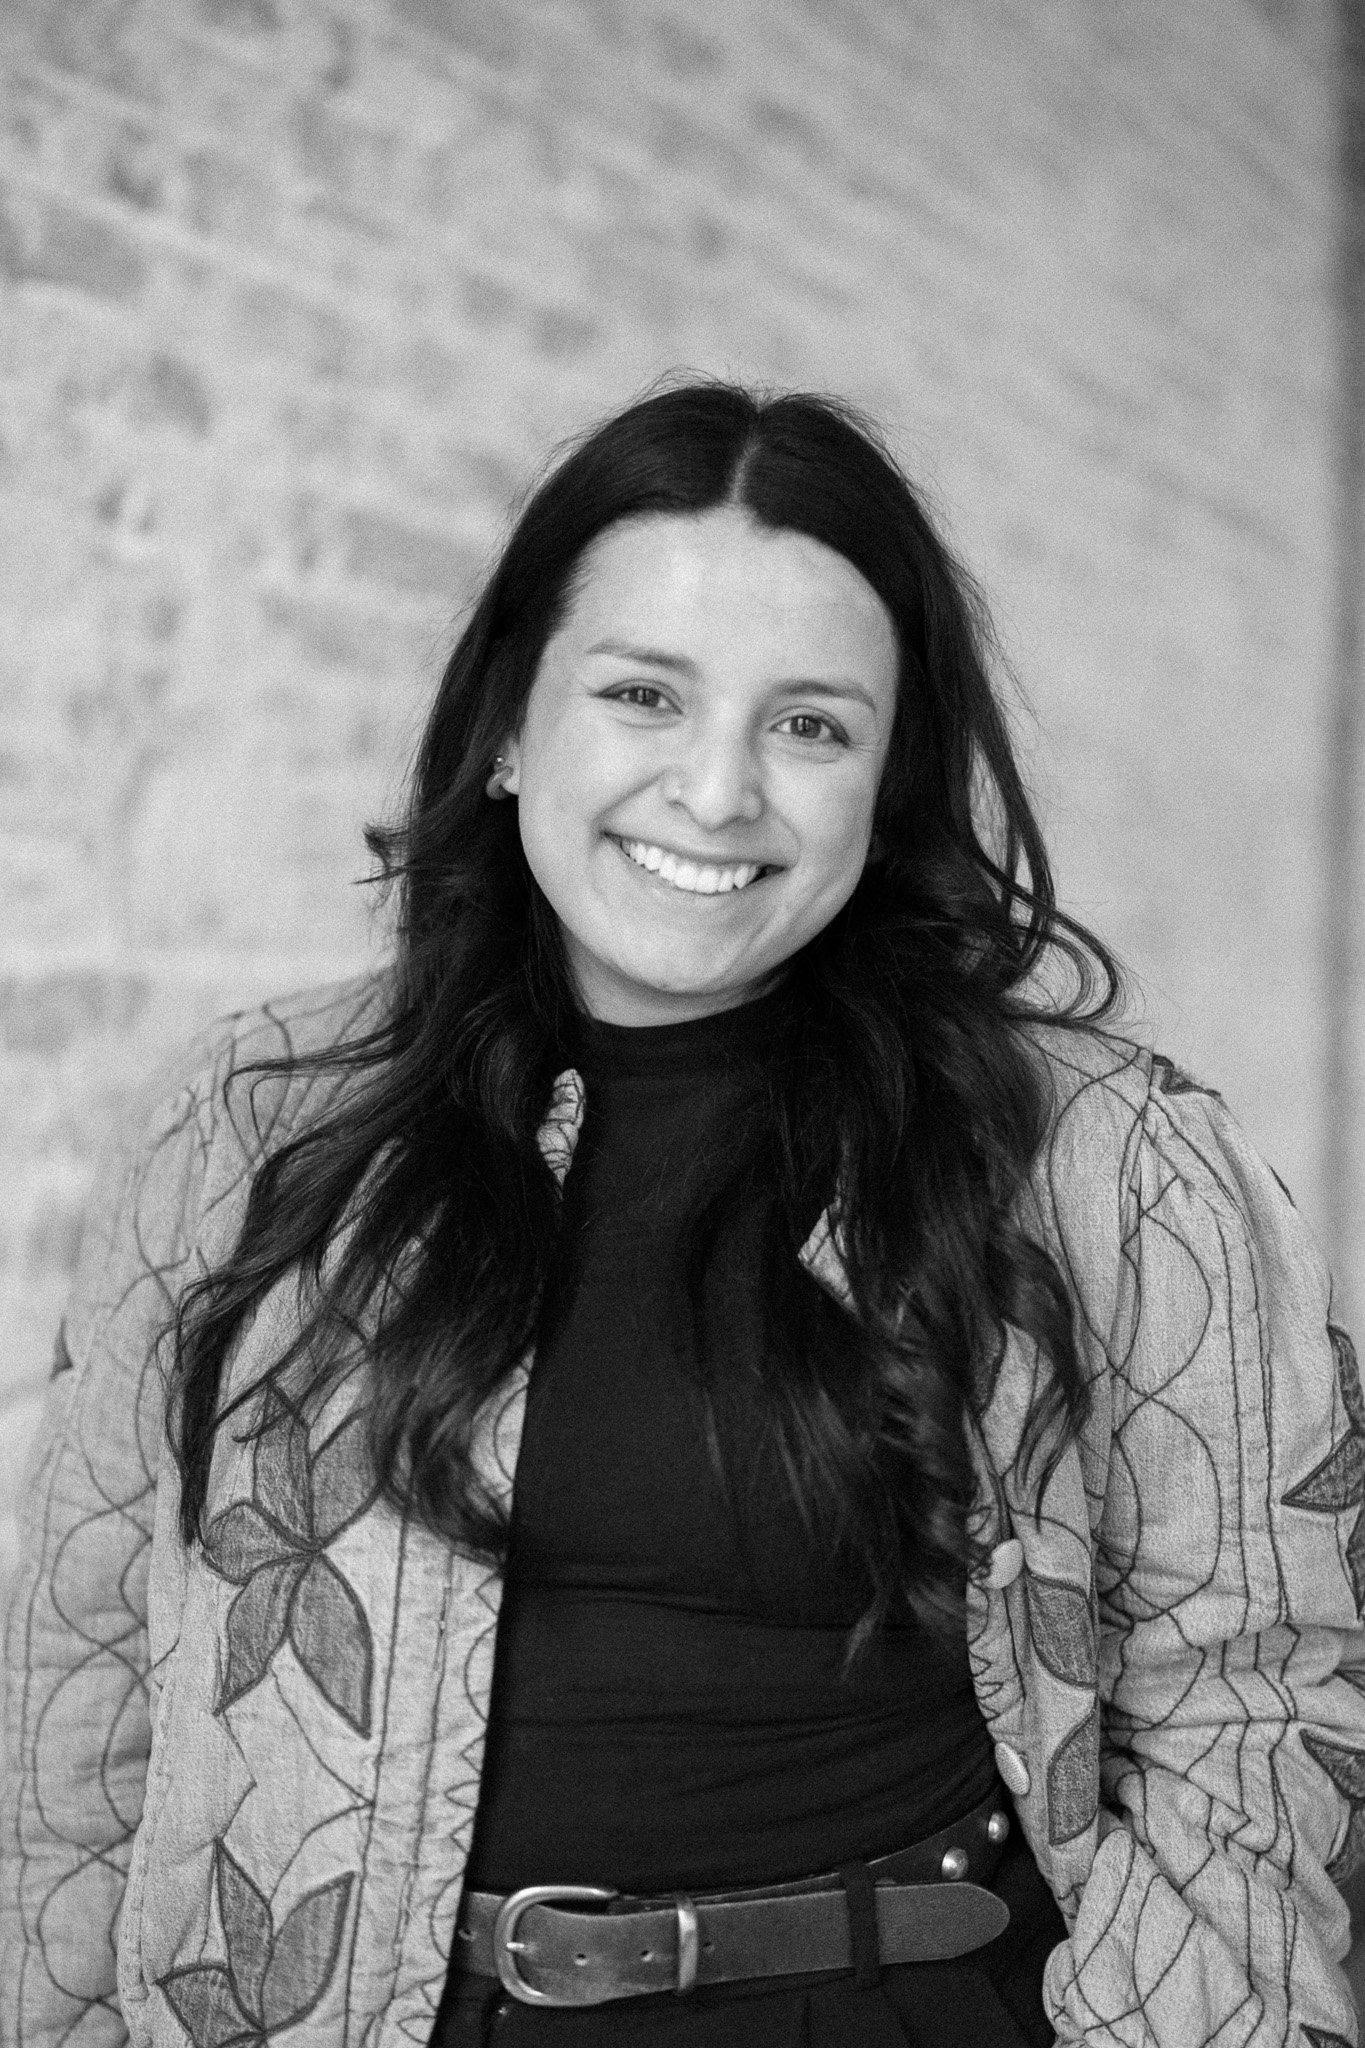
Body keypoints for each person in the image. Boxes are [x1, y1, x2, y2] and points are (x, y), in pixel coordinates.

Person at [3, 381, 1362, 2048]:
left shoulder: (1105, 1159)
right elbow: (88, 1699)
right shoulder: (257, 1125)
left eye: (810, 726)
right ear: (508, 727)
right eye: (644, 694)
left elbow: (1267, 1697)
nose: (717, 792)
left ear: (888, 780)